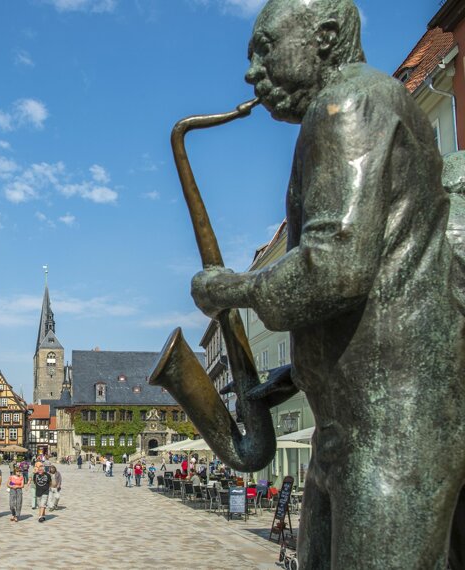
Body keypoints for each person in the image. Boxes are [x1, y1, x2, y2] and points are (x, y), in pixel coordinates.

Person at [189, 0, 465, 567]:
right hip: (356, 433)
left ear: (327, 36)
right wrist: (291, 376)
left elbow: (336, 264)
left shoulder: (349, 102)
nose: (251, 73)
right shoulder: (354, 104)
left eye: (264, 49)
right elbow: (377, 289)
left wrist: (234, 289)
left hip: (389, 440)